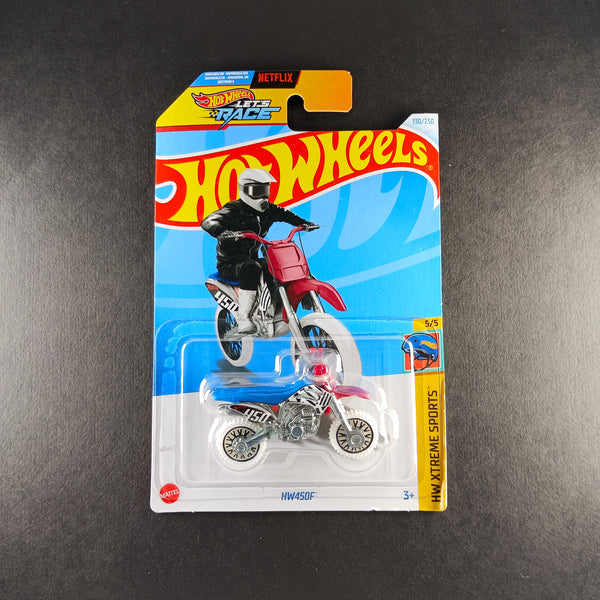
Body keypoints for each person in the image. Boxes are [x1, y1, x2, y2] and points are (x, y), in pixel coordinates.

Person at [201, 168, 315, 334]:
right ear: (244, 190)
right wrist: (222, 231)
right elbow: (209, 221)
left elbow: (285, 214)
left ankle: (277, 306)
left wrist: (304, 224)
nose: (263, 197)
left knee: (279, 265)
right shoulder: (234, 209)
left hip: (252, 258)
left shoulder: (268, 210)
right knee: (251, 267)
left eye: (265, 190)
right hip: (230, 263)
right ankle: (244, 317)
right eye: (257, 191)